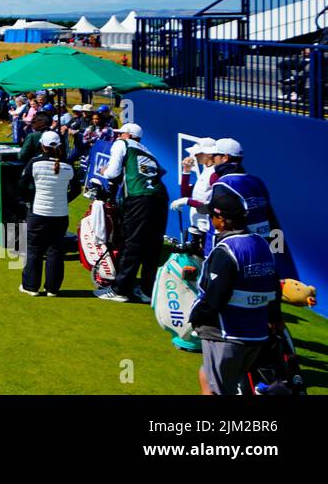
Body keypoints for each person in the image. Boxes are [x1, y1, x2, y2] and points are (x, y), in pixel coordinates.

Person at [187, 184, 280, 395]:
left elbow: (216, 297)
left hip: (225, 333)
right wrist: (275, 317)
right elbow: (274, 287)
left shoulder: (226, 250)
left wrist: (197, 317)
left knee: (216, 388)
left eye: (212, 216)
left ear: (221, 220)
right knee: (211, 377)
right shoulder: (262, 245)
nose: (211, 220)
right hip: (256, 335)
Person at [97, 123, 168, 303]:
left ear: (128, 135)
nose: (118, 137)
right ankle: (146, 290)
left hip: (139, 198)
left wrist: (104, 171)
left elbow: (112, 173)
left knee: (132, 244)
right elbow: (160, 172)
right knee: (153, 246)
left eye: (121, 134)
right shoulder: (148, 151)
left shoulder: (123, 144)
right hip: (160, 198)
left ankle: (121, 290)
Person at [19, 130, 83, 296]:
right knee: (55, 250)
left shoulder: (34, 163)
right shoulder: (68, 166)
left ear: (42, 145)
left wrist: (29, 201)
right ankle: (52, 289)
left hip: (38, 213)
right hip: (60, 214)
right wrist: (64, 200)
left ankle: (31, 287)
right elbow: (76, 189)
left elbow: (22, 186)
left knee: (34, 249)